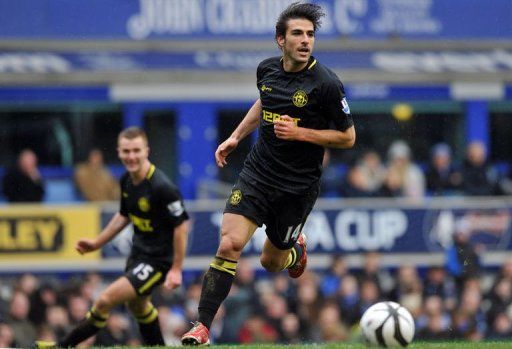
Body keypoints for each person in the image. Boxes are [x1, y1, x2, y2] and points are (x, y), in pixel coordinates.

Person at [181, 3, 355, 345]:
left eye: (310, 35)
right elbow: (265, 101)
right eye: (298, 34)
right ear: (281, 40)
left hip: (297, 188)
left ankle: (294, 251)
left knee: (271, 262)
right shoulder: (266, 71)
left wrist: (301, 133)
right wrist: (235, 136)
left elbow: (349, 138)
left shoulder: (327, 84)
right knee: (229, 243)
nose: (305, 41)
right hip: (258, 174)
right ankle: (201, 327)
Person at [33, 127, 190, 348]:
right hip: (139, 253)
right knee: (138, 307)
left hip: (157, 261)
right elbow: (124, 215)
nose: (131, 156)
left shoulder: (162, 187)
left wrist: (176, 268)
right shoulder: (126, 180)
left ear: (147, 151)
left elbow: (181, 226)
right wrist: (97, 242)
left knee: (104, 300)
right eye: (126, 151)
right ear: (119, 152)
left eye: (136, 150)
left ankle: (62, 346)